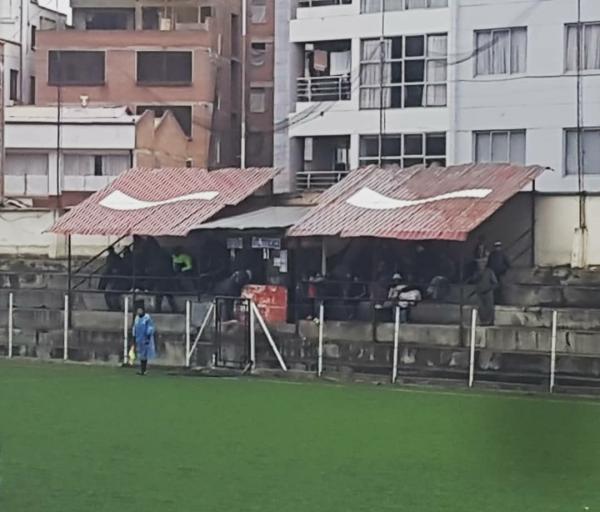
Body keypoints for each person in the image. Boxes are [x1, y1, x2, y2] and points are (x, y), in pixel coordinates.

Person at [132, 305, 156, 375]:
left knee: (145, 355)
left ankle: (144, 370)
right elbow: (134, 327)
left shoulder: (147, 318)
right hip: (139, 339)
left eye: (140, 310)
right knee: (141, 355)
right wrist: (134, 336)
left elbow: (150, 327)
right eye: (138, 310)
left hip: (145, 339)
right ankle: (143, 370)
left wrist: (148, 337)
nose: (139, 312)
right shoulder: (136, 318)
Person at [98, 246, 124, 311]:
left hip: (113, 278)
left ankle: (113, 307)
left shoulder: (111, 258)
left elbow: (108, 268)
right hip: (115, 278)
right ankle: (114, 307)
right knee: (112, 294)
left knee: (109, 293)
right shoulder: (117, 257)